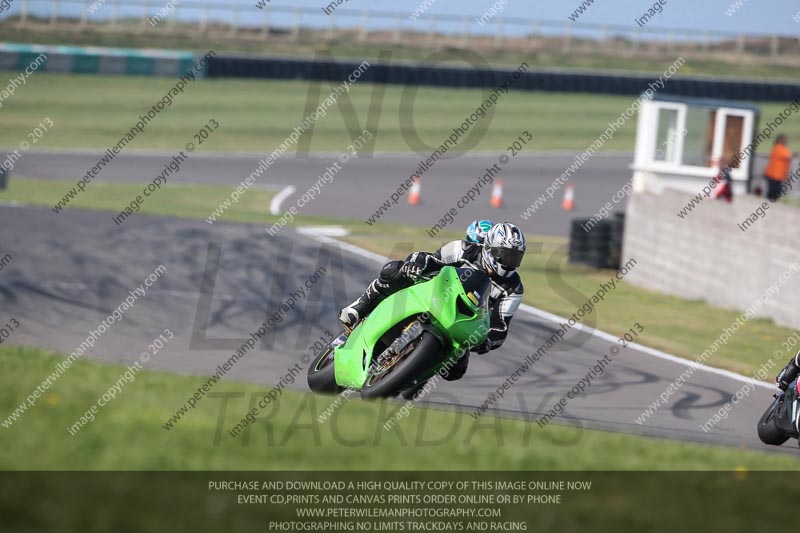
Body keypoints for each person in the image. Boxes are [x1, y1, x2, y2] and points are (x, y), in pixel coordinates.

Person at [339, 222, 526, 382]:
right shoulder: (464, 249)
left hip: (462, 322)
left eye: (515, 258)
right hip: (433, 293)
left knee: (455, 370)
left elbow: (500, 327)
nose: (509, 262)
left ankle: (407, 376)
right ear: (490, 249)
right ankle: (360, 306)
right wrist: (416, 264)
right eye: (505, 255)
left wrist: (487, 342)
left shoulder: (514, 289)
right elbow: (430, 258)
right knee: (395, 270)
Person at [763, 135, 796, 201]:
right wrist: (794, 154)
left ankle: (770, 200)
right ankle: (771, 200)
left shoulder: (776, 148)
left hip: (775, 173)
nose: (786, 141)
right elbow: (788, 156)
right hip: (775, 173)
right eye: (785, 140)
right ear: (780, 140)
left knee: (773, 188)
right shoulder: (779, 148)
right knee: (775, 189)